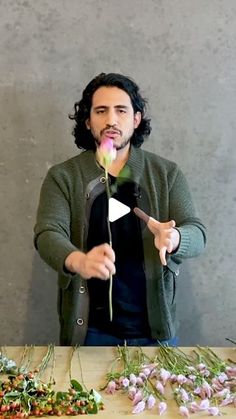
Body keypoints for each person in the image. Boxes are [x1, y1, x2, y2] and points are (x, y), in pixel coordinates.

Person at [34, 72, 206, 346]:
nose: (111, 120)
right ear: (88, 122)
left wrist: (175, 238)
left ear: (136, 119)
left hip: (155, 332)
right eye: (101, 111)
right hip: (89, 332)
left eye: (121, 110)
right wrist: (80, 261)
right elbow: (47, 233)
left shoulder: (166, 174)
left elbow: (197, 232)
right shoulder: (63, 176)